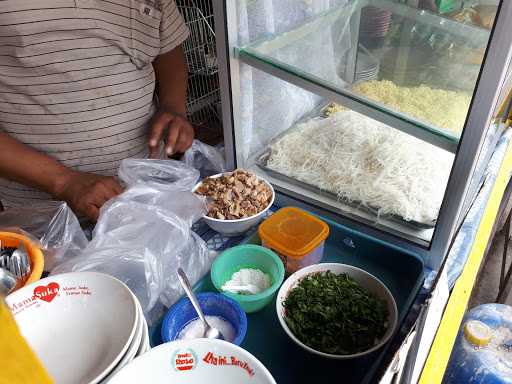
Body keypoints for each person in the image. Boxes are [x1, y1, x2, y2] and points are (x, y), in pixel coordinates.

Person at [0, 0, 194, 221]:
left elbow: (168, 50)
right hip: (46, 217)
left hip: (149, 192)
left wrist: (173, 106)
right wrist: (63, 181)